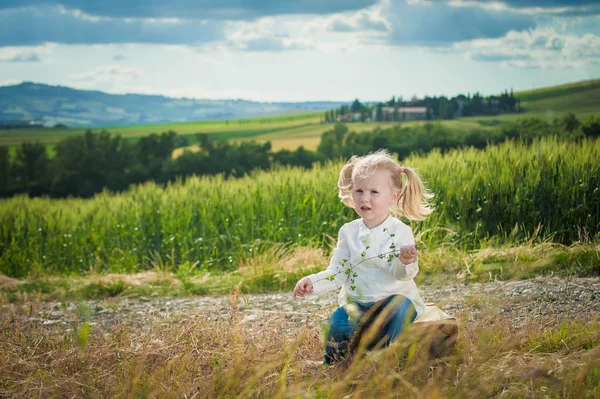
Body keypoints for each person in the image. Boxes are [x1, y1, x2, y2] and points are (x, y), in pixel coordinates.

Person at [293, 149, 434, 365]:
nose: (364, 198)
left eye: (374, 192)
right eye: (359, 190)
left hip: (392, 303)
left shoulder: (400, 231)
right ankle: (332, 363)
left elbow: (402, 275)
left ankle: (387, 357)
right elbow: (337, 273)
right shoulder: (348, 232)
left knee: (400, 311)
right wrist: (311, 282)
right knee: (336, 323)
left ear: (393, 196)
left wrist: (406, 262)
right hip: (357, 306)